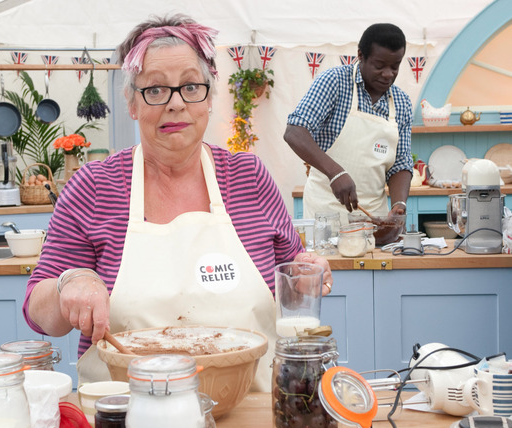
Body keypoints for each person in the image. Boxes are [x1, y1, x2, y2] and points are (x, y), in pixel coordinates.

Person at [23, 14, 332, 390]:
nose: (175, 104)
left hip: (249, 411)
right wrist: (69, 283)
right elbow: (42, 318)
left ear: (209, 98)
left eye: (190, 87)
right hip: (130, 414)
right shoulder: (94, 187)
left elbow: (291, 274)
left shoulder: (249, 177)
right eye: (155, 90)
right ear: (132, 104)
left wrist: (305, 271)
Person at [284, 23, 413, 221]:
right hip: (325, 213)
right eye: (379, 66)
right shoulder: (335, 81)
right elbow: (294, 131)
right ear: (361, 55)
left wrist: (399, 204)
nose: (388, 74)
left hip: (374, 218)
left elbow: (401, 163)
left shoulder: (402, 102)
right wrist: (335, 173)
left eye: (395, 67)